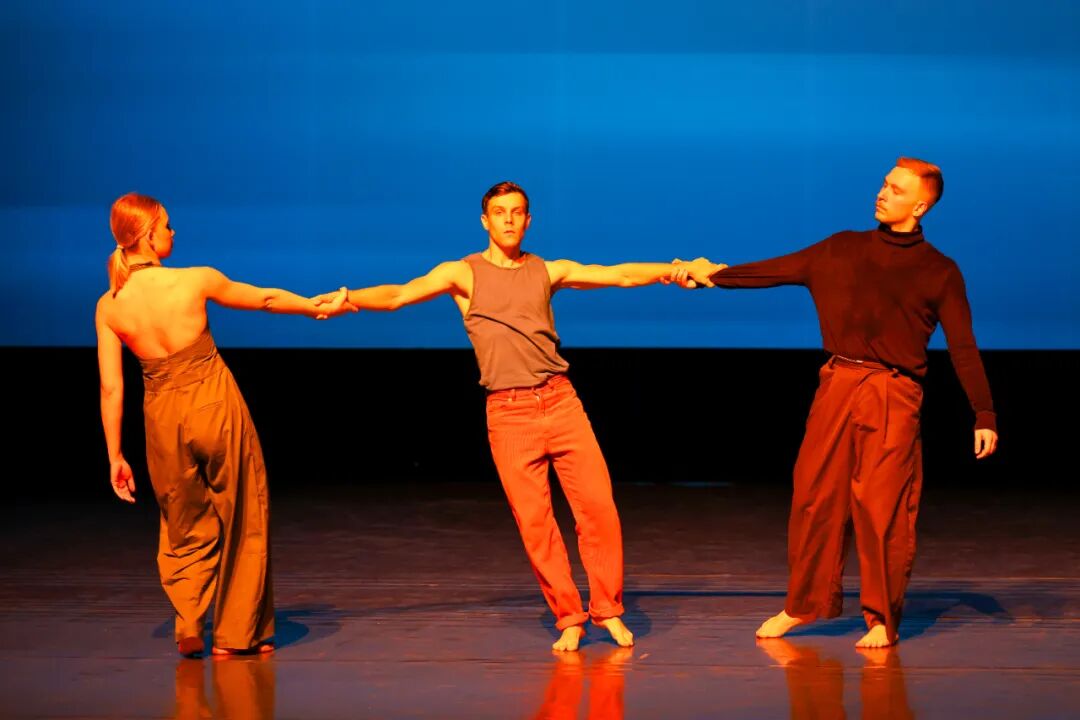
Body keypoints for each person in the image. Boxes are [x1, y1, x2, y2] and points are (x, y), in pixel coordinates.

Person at [314, 181, 717, 651]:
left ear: (528, 220)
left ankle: (607, 610)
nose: (508, 219)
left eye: (517, 212)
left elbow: (618, 275)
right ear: (485, 221)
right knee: (536, 524)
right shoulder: (462, 273)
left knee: (599, 512)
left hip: (561, 402)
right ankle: (570, 617)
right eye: (500, 212)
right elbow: (399, 295)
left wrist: (673, 270)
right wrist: (349, 298)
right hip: (509, 414)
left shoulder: (547, 270)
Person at [676, 158, 999, 648]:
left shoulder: (939, 271)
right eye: (884, 184)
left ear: (920, 206)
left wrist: (984, 413)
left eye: (896, 189)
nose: (882, 193)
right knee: (814, 496)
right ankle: (803, 605)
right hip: (838, 383)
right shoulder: (842, 248)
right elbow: (777, 269)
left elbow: (963, 346)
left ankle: (881, 619)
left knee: (882, 507)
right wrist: (713, 276)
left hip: (892, 392)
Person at [95, 192, 352, 657]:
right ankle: (238, 635)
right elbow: (266, 299)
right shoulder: (195, 280)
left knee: (182, 520)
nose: (173, 232)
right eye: (167, 225)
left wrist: (115, 454)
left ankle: (190, 620)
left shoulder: (110, 305)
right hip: (213, 403)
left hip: (162, 416)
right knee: (243, 511)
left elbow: (112, 388)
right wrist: (315, 307)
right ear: (148, 235)